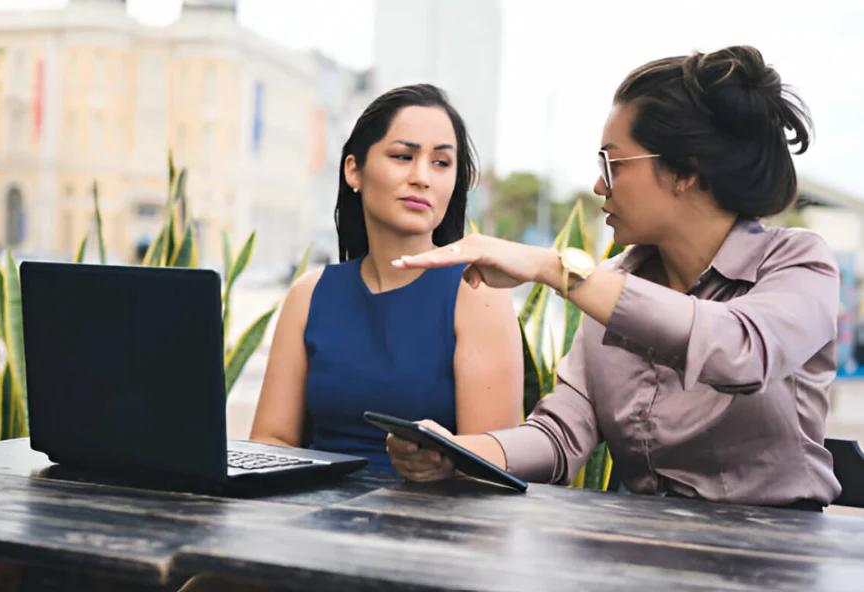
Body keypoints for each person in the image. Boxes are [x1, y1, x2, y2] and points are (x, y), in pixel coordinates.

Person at [386, 46, 842, 511]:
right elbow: (561, 435)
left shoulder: (798, 263)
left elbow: (742, 351)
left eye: (613, 164)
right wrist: (457, 452)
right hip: (642, 550)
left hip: (777, 558)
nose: (599, 185)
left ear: (684, 171)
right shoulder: (610, 283)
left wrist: (552, 268)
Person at [248, 84, 523, 472]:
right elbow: (271, 442)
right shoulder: (308, 295)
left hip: (431, 523)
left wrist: (442, 468)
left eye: (441, 163)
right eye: (403, 156)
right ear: (353, 170)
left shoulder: (477, 295)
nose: (422, 177)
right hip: (311, 518)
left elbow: (493, 468)